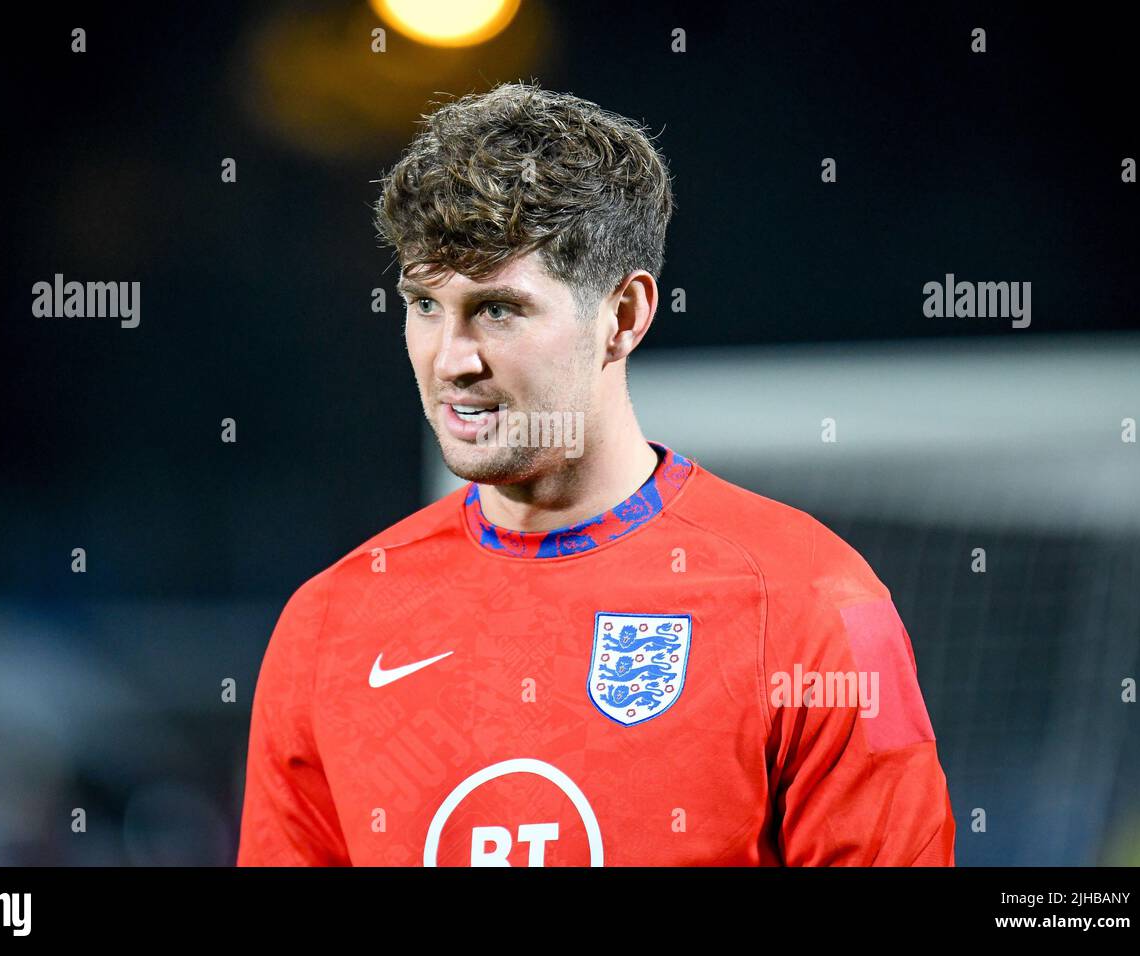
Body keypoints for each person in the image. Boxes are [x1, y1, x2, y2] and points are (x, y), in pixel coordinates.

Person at [237, 80, 955, 866]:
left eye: (499, 309)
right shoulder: (329, 625)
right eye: (425, 305)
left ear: (624, 316)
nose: (452, 360)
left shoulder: (816, 604)